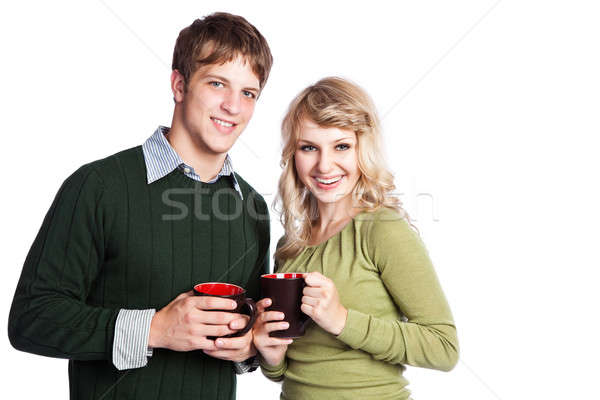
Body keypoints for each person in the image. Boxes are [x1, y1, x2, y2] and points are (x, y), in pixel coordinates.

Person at [8, 12, 272, 400]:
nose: (233, 106)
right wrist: (155, 330)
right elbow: (31, 318)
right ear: (179, 85)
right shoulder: (98, 186)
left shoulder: (252, 209)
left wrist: (248, 349)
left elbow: (250, 333)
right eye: (218, 83)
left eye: (248, 93)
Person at [253, 77, 459, 399]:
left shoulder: (381, 229)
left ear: (363, 150)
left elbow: (443, 347)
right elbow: (299, 368)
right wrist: (272, 357)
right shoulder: (290, 246)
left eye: (341, 146)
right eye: (309, 147)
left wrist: (342, 319)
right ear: (293, 154)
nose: (324, 165)